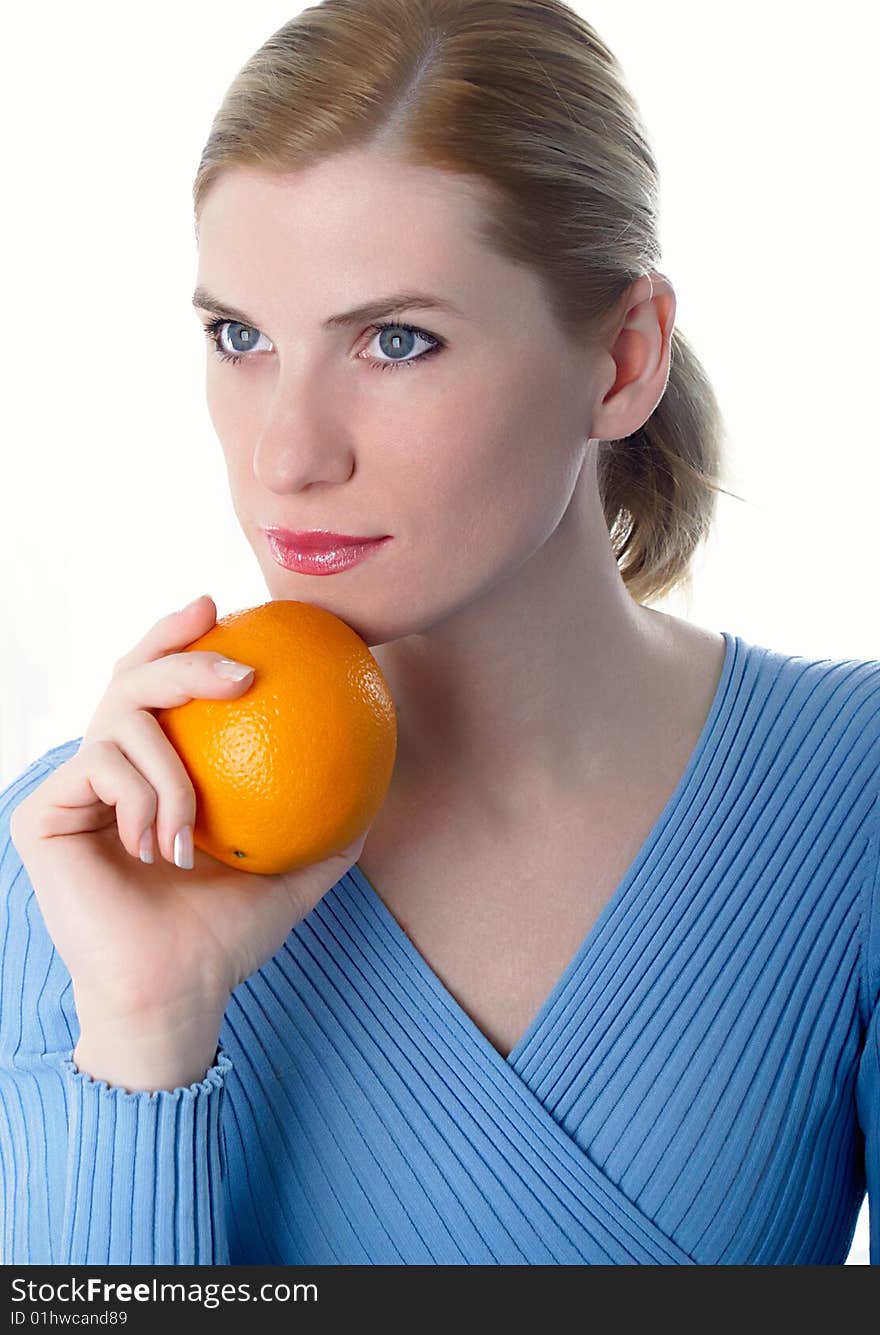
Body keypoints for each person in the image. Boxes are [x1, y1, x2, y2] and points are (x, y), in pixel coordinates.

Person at [1, 0, 878, 1267]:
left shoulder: (845, 799)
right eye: (239, 337)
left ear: (622, 359)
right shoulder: (88, 863)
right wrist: (143, 1031)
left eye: (396, 341)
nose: (286, 455)